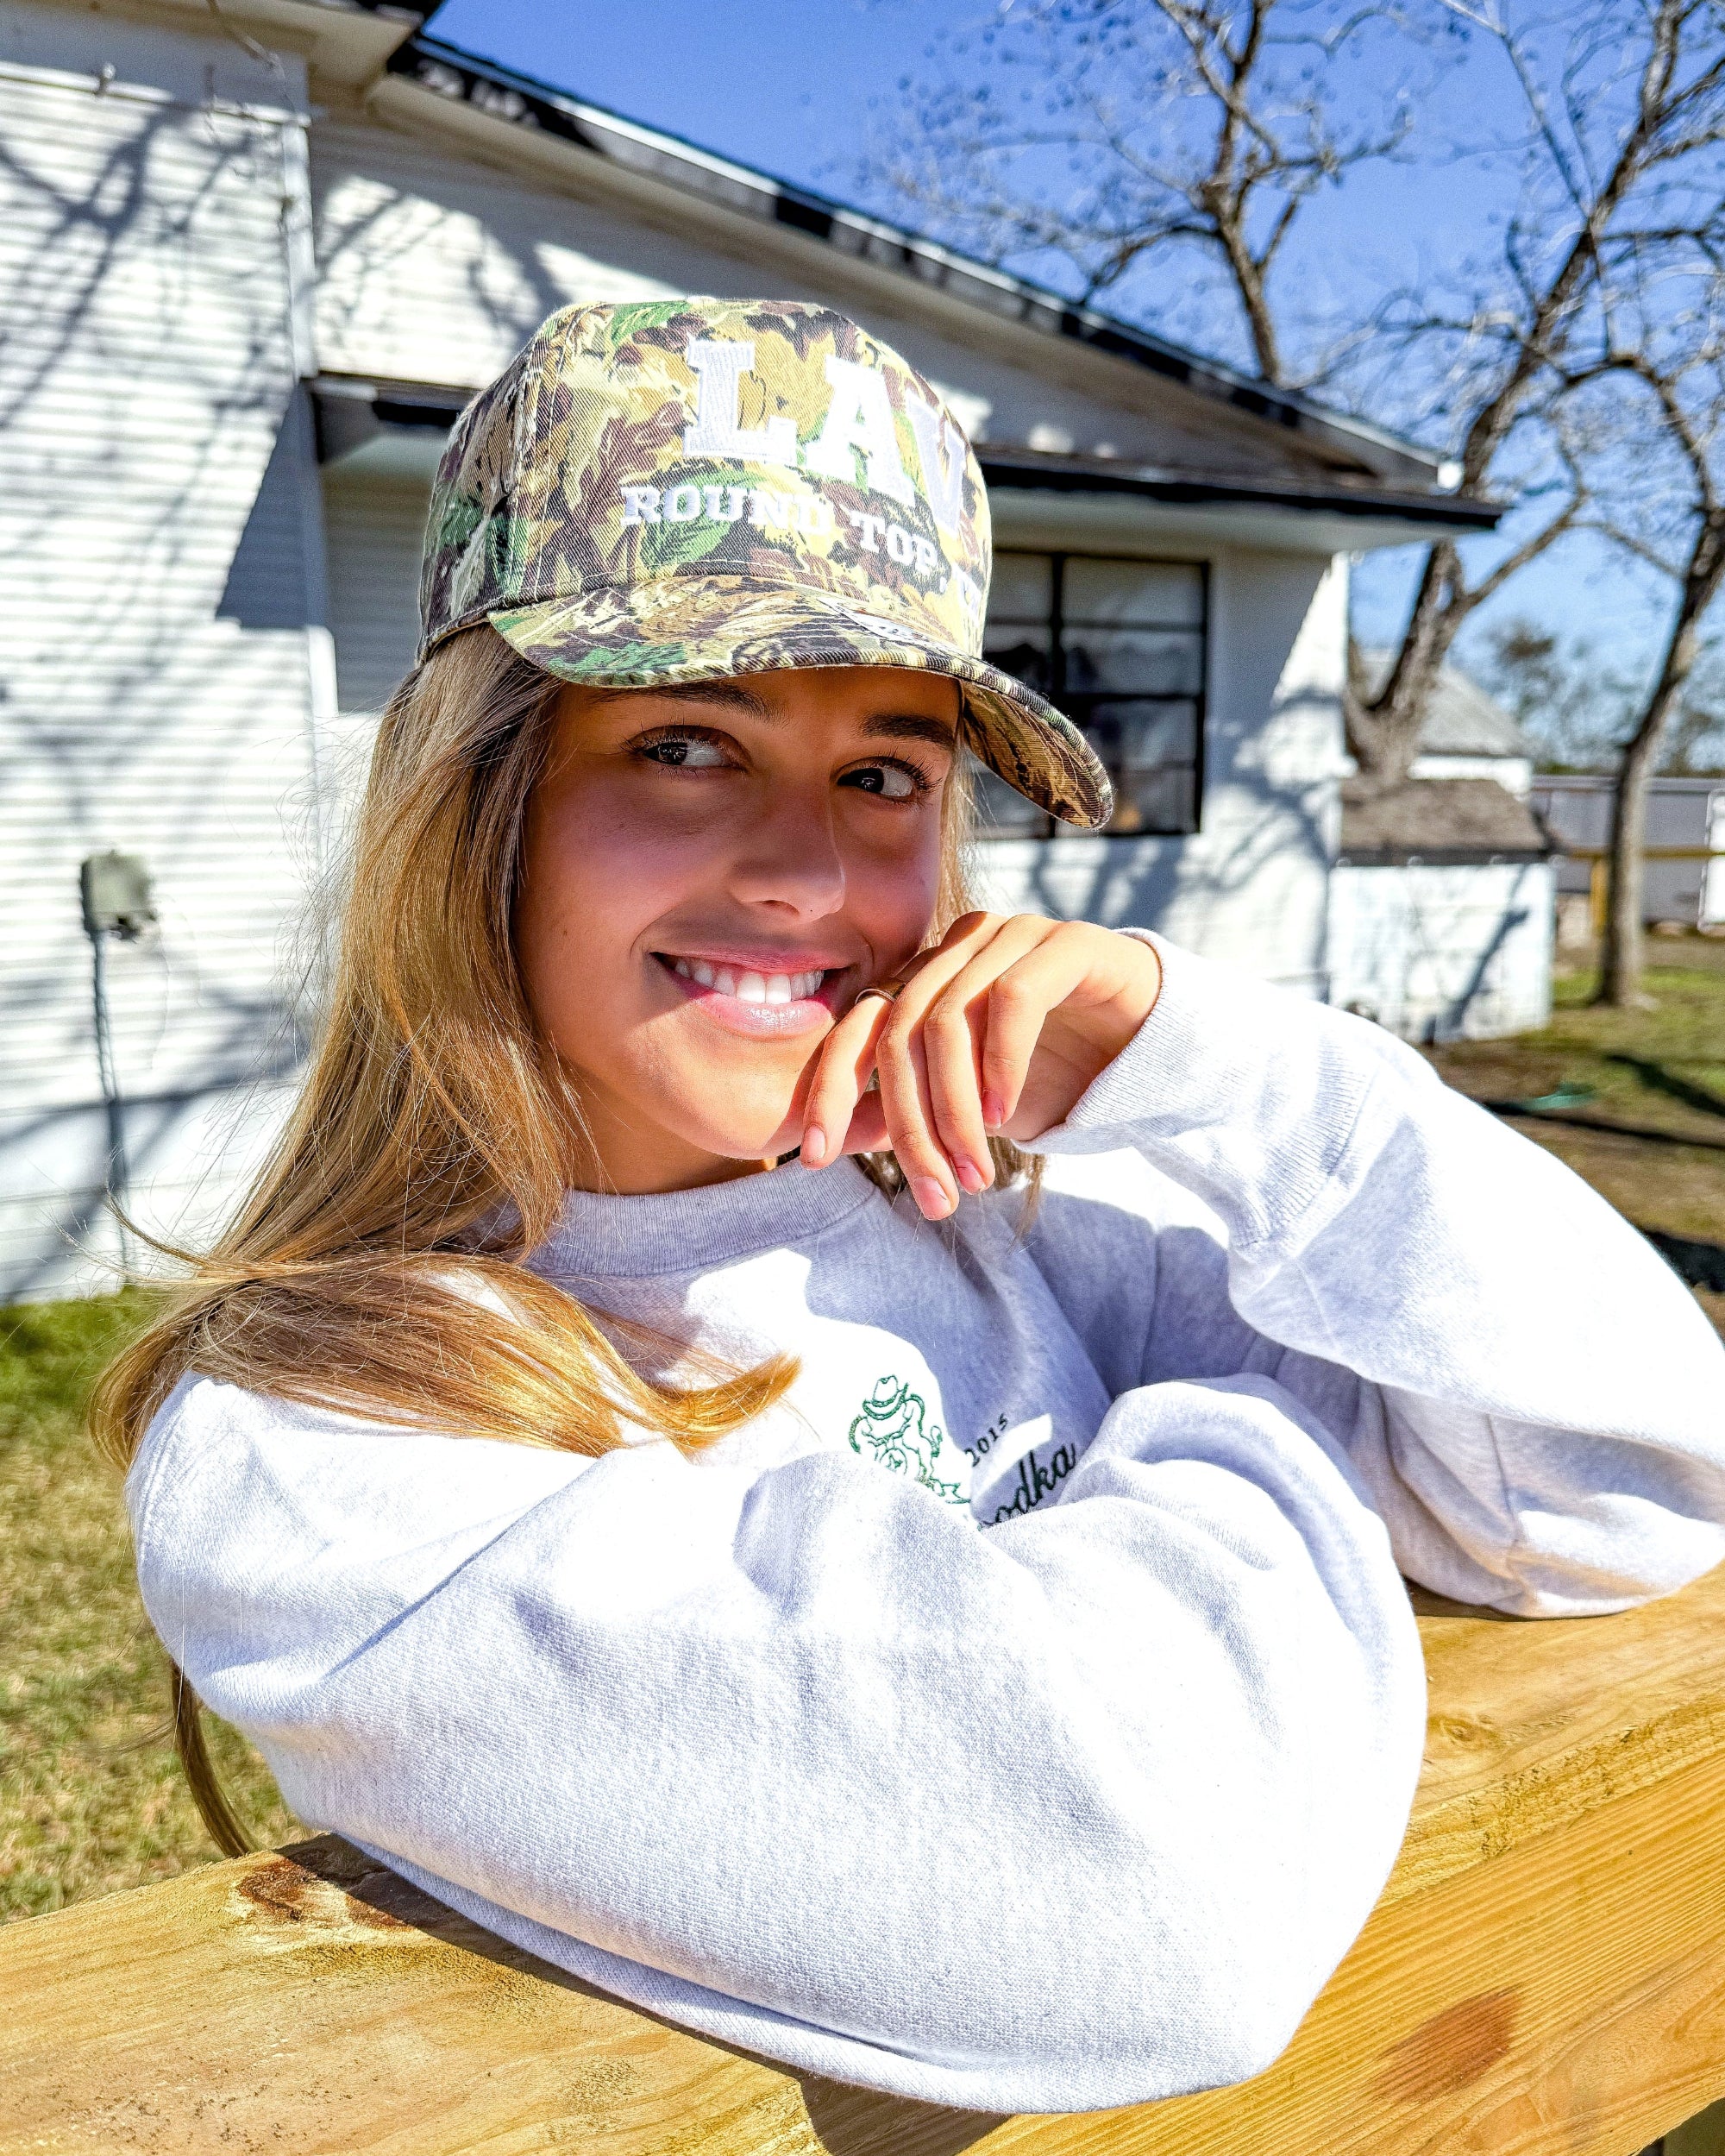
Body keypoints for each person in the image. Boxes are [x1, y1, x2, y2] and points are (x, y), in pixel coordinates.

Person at [99, 299, 1725, 2116]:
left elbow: (1637, 1487)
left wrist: (1253, 1083)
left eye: (884, 771)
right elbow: (1162, 1913)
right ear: (483, 806)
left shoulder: (1018, 1228)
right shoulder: (333, 1439)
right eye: (686, 742)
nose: (806, 868)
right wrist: (1268, 1430)